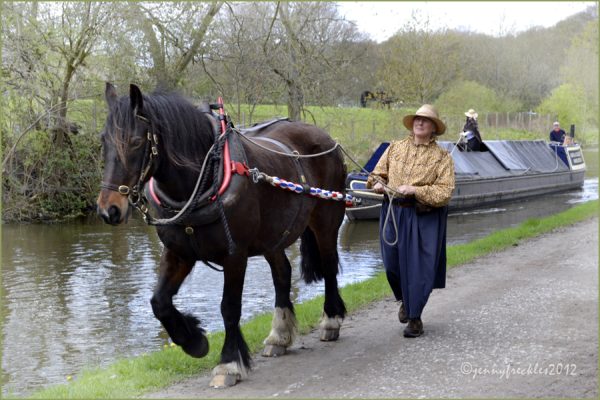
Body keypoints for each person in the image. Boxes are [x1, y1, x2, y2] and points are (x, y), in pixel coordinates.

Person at [366, 104, 455, 338]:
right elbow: (377, 173)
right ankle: (405, 300)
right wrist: (376, 183)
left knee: (418, 270)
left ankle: (415, 318)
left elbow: (445, 192)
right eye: (417, 119)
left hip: (422, 216)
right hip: (393, 214)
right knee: (392, 265)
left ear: (434, 127)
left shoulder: (442, 157)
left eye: (425, 120)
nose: (420, 122)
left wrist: (415, 190)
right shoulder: (394, 148)